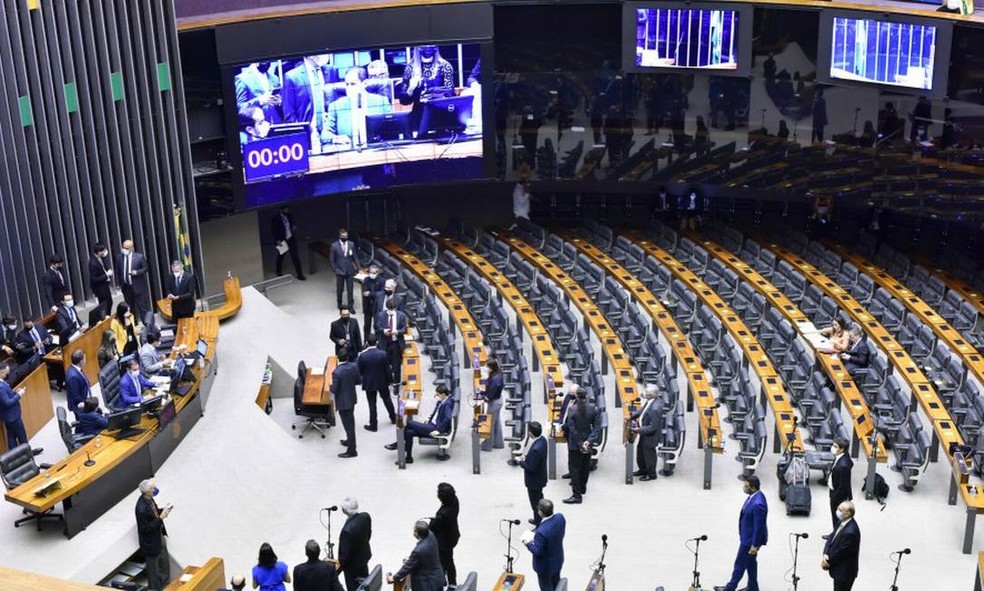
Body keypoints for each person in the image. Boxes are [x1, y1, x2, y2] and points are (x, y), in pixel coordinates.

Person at [714, 475, 768, 591]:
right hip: (747, 536)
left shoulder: (758, 504)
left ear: (753, 488)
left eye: (746, 486)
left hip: (749, 540)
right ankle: (753, 587)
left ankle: (730, 588)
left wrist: (754, 545)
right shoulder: (753, 497)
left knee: (739, 564)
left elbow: (759, 526)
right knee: (750, 563)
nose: (744, 487)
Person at [325, 66, 392, 148]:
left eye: (353, 84)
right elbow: (325, 134)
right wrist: (335, 139)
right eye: (347, 84)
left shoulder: (381, 101)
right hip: (348, 153)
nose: (349, 88)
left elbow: (394, 128)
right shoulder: (336, 106)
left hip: (377, 149)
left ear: (365, 83)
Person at [385, 385, 453, 463]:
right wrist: (430, 417)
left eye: (438, 394)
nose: (436, 396)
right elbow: (437, 413)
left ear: (443, 394)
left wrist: (439, 430)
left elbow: (448, 417)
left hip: (434, 428)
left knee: (409, 423)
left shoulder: (447, 404)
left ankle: (398, 443)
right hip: (431, 424)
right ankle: (408, 458)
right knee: (409, 432)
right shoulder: (442, 401)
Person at [398, 45, 455, 132]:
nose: (428, 48)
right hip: (419, 119)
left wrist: (439, 95)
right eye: (424, 46)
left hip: (441, 116)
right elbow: (404, 101)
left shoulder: (445, 66)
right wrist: (410, 89)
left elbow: (451, 95)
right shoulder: (410, 68)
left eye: (431, 46)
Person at [561, 384, 602, 504]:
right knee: (585, 466)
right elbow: (596, 428)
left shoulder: (572, 409)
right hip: (588, 441)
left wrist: (580, 443)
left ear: (577, 397)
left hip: (575, 443)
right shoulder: (594, 408)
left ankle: (577, 495)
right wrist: (588, 442)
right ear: (587, 397)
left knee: (574, 468)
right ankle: (583, 488)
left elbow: (572, 429)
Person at [387, 521, 445, 591]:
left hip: (427, 584)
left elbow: (408, 566)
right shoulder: (431, 535)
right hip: (437, 578)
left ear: (416, 533)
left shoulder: (418, 551)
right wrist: (412, 559)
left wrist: (394, 578)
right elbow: (425, 555)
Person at [135, 479, 171, 590]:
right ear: (147, 492)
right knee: (153, 571)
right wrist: (161, 518)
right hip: (150, 542)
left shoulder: (150, 499)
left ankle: (166, 585)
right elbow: (146, 528)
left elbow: (154, 513)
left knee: (164, 563)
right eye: (152, 488)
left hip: (158, 535)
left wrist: (162, 511)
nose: (155, 490)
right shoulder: (141, 508)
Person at [525, 499, 565, 591]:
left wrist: (528, 543)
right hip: (557, 560)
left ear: (540, 512)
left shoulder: (541, 532)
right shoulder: (560, 518)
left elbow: (538, 552)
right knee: (557, 584)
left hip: (545, 567)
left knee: (546, 587)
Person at [357, 333, 396, 430]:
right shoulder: (383, 354)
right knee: (387, 400)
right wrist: (390, 381)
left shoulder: (362, 356)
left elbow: (360, 371)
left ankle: (373, 425)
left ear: (366, 343)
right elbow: (388, 369)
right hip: (382, 381)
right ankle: (393, 418)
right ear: (377, 342)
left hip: (369, 382)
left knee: (372, 404)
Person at [822, 501, 861, 591]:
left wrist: (827, 562)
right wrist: (825, 554)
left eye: (840, 510)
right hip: (839, 569)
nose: (837, 511)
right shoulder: (842, 522)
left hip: (844, 573)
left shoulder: (850, 532)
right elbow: (831, 537)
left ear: (848, 514)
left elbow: (841, 553)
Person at [331, 347, 361, 458]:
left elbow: (334, 389)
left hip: (343, 402)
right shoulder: (353, 366)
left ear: (338, 358)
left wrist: (330, 384)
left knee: (348, 426)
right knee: (350, 423)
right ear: (348, 357)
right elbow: (358, 381)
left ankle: (352, 450)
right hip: (351, 399)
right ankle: (349, 441)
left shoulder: (337, 372)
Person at [630, 384, 664, 481]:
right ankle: (643, 470)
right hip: (644, 433)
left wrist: (638, 430)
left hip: (650, 435)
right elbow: (643, 411)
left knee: (649, 456)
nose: (645, 393)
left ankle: (651, 475)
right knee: (640, 453)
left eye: (647, 393)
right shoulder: (651, 401)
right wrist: (634, 415)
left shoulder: (655, 408)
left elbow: (652, 427)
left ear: (651, 395)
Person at [430, 482, 460, 588]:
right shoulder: (455, 500)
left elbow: (432, 527)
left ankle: (443, 581)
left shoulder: (442, 514)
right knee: (449, 560)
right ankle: (452, 581)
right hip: (453, 535)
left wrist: (432, 522)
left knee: (442, 562)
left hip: (443, 541)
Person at [338, 497, 372, 591]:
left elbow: (346, 554)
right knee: (366, 583)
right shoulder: (365, 517)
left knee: (353, 588)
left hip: (352, 567)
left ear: (345, 510)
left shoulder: (347, 531)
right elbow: (368, 535)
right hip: (364, 558)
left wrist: (341, 562)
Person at [115, 240, 151, 327]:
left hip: (138, 287)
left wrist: (137, 272)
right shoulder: (119, 257)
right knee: (130, 308)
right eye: (123, 247)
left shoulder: (139, 257)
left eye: (126, 248)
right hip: (126, 287)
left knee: (142, 307)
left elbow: (145, 268)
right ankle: (134, 326)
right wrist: (117, 283)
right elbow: (117, 271)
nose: (124, 249)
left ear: (131, 248)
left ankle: (147, 326)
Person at [520, 421, 548, 526]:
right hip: (540, 477)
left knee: (535, 504)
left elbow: (532, 468)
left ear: (531, 433)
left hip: (534, 481)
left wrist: (521, 462)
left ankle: (539, 524)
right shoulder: (543, 440)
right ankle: (537, 520)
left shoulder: (536, 449)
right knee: (539, 500)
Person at [376, 298, 408, 386]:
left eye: (393, 309)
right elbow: (378, 327)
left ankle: (396, 382)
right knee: (384, 363)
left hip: (396, 343)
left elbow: (404, 329)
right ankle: (387, 380)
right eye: (389, 310)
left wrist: (397, 332)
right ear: (386, 308)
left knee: (396, 364)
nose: (391, 311)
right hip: (384, 342)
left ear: (396, 308)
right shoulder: (381, 315)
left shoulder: (401, 315)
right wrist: (384, 330)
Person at [270, 206, 306, 281]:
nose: (287, 210)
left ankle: (300, 274)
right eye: (286, 209)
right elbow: (274, 231)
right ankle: (278, 270)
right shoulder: (275, 219)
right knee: (281, 255)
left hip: (291, 238)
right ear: (281, 210)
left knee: (295, 257)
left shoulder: (290, 216)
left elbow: (291, 224)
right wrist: (277, 240)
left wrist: (293, 228)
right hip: (282, 239)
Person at [0, 362, 28, 450]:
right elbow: (7, 402)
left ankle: (14, 458)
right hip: (13, 417)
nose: (7, 374)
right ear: (1, 373)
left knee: (11, 437)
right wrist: (19, 394)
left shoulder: (2, 383)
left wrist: (14, 393)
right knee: (22, 437)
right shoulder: (0, 387)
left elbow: (5, 397)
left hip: (7, 417)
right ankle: (28, 456)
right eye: (6, 372)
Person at [330, 228, 360, 310]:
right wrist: (336, 270)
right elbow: (332, 260)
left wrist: (358, 268)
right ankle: (339, 304)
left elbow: (355, 257)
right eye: (343, 236)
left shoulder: (351, 244)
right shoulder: (334, 246)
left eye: (346, 236)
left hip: (350, 270)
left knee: (350, 289)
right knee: (340, 289)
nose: (345, 237)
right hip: (340, 271)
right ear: (339, 236)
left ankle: (351, 306)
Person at [827, 437, 854, 529]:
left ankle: (837, 536)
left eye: (835, 446)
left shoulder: (843, 466)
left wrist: (834, 498)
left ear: (842, 449)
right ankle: (834, 534)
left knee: (838, 517)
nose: (833, 448)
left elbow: (843, 487)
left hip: (839, 495)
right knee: (835, 517)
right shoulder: (842, 456)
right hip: (834, 489)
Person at [479, 359, 505, 452]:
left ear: (492, 367)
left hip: (494, 403)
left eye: (487, 366)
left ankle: (487, 445)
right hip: (498, 401)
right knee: (496, 423)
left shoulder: (495, 379)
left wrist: (484, 398)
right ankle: (498, 443)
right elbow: (489, 385)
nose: (486, 368)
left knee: (489, 424)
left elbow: (491, 393)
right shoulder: (497, 373)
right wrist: (482, 389)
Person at [88, 243, 115, 319]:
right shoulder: (93, 263)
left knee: (109, 302)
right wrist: (107, 275)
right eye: (103, 251)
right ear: (99, 252)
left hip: (104, 285)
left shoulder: (100, 258)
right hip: (100, 288)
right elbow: (94, 279)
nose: (104, 252)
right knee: (105, 305)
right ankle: (105, 319)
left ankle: (107, 317)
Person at [65, 350, 92, 416]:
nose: (85, 360)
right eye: (84, 358)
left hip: (84, 399)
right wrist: (87, 405)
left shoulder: (76, 369)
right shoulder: (73, 377)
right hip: (80, 407)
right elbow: (76, 396)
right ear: (81, 361)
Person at [361, 263, 381, 335]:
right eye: (370, 272)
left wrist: (370, 294)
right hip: (367, 306)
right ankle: (366, 341)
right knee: (367, 325)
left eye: (374, 273)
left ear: (377, 273)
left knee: (377, 325)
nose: (372, 274)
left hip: (377, 307)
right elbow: (364, 291)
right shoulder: (366, 279)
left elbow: (380, 294)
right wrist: (371, 294)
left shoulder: (381, 281)